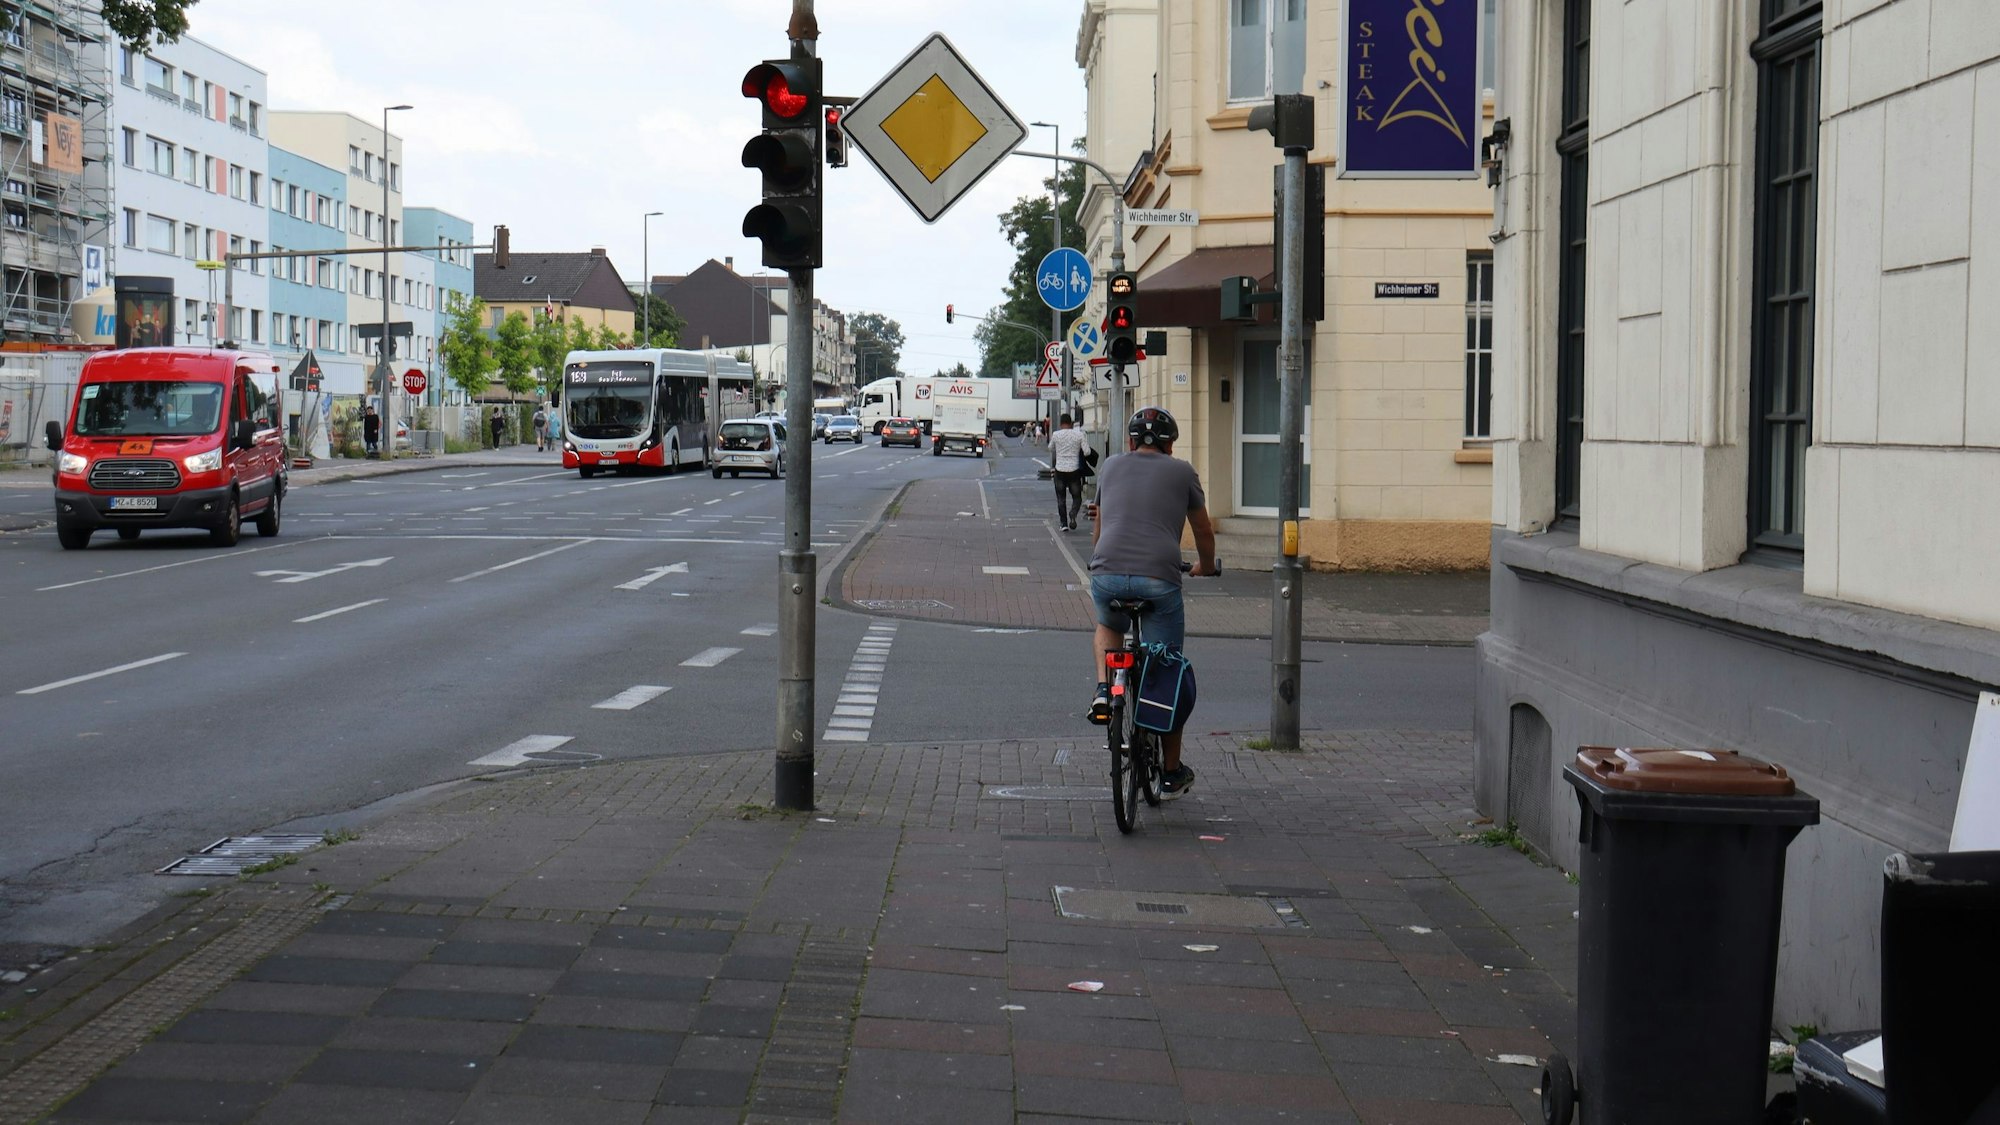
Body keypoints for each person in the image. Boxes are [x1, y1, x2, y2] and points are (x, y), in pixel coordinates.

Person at [1087, 406, 1219, 799]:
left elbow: (1099, 525)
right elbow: (1203, 529)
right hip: (1159, 578)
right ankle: (1171, 772)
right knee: (1165, 670)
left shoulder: (1110, 466)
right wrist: (1207, 567)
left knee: (1109, 625)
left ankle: (1102, 690)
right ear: (1170, 443)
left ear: (1129, 442)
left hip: (1107, 572)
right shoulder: (1182, 471)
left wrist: (1103, 561)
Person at [1049, 412, 1091, 532]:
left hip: (1060, 470)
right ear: (1071, 423)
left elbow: (1050, 447)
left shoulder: (1056, 434)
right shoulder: (1079, 435)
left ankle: (1063, 524)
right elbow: (1087, 452)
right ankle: (1073, 513)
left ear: (1061, 423)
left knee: (1061, 498)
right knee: (1077, 497)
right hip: (1074, 470)